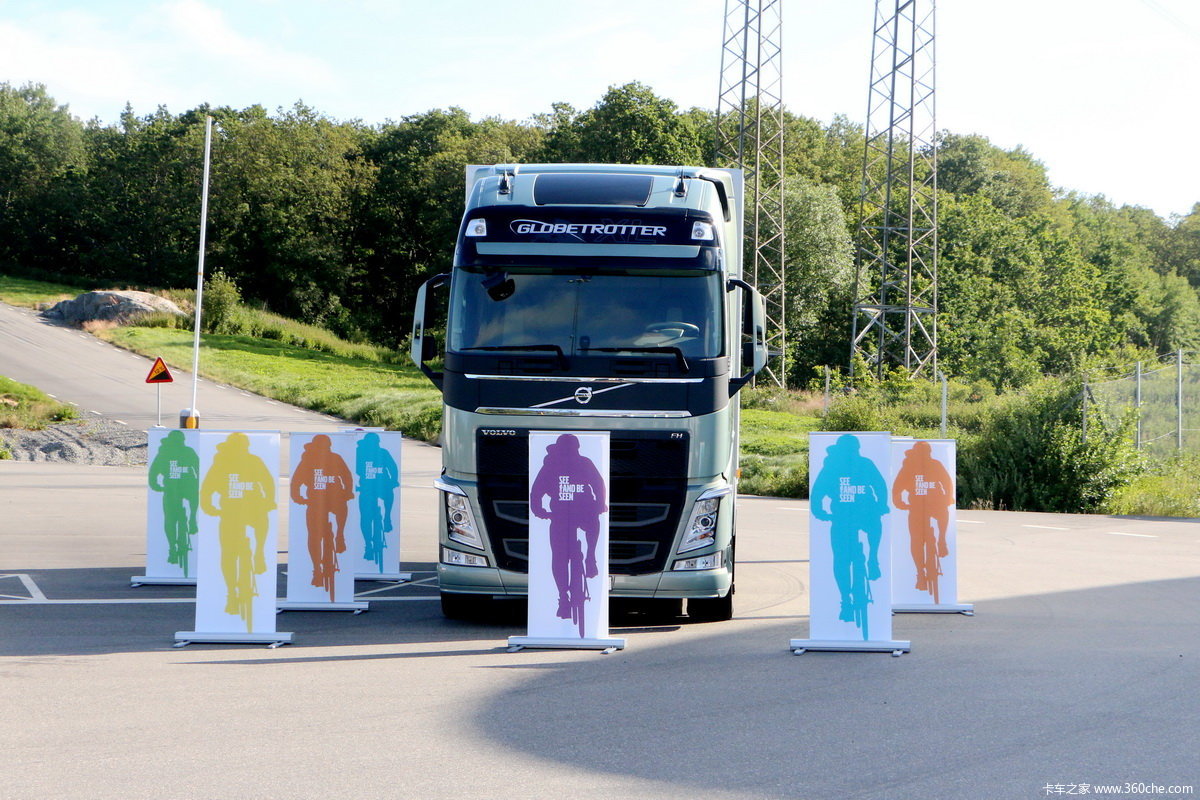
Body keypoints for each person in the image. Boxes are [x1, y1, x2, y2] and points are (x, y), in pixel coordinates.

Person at [810, 434, 890, 627]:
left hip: (845, 516)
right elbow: (879, 486)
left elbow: (818, 492)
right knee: (844, 556)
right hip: (857, 514)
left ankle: (871, 561)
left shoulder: (836, 466)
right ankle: (849, 596)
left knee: (841, 560)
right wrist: (881, 505)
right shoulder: (855, 464)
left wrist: (820, 512)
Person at [200, 432, 276, 631]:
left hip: (242, 509)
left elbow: (268, 482)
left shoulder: (251, 461)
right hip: (236, 510)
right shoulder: (222, 463)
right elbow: (207, 488)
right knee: (229, 552)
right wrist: (207, 505)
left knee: (230, 552)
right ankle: (231, 594)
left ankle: (259, 553)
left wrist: (270, 499)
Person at [529, 433, 607, 621]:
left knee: (559, 557)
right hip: (580, 511)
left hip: (562, 515)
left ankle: (565, 597)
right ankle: (588, 561)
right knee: (589, 527)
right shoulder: (581, 463)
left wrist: (540, 511)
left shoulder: (551, 465)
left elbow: (536, 492)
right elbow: (599, 485)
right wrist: (599, 504)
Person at [291, 434, 354, 599]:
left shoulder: (334, 458)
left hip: (328, 499)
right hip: (318, 501)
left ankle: (339, 535)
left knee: (316, 534)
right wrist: (297, 496)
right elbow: (296, 481)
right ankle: (317, 570)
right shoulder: (308, 460)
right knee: (314, 535)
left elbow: (346, 476)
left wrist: (348, 491)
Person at [891, 441, 954, 597]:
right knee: (918, 538)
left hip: (922, 505)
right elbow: (947, 482)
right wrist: (948, 497)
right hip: (927, 505)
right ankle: (921, 571)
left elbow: (897, 488)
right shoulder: (915, 466)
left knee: (917, 540)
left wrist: (899, 502)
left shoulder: (916, 466)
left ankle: (940, 541)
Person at [147, 430, 199, 575]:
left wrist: (156, 486)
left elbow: (153, 473)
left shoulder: (164, 453)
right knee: (192, 500)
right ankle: (192, 520)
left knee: (170, 519)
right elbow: (199, 468)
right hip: (187, 486)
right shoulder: (188, 451)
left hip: (172, 488)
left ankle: (172, 549)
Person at [356, 432, 399, 569]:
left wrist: (394, 480)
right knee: (365, 517)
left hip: (381, 485)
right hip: (367, 488)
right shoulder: (360, 453)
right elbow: (354, 469)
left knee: (389, 495)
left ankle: (387, 518)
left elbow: (392, 467)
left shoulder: (383, 453)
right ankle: (368, 545)